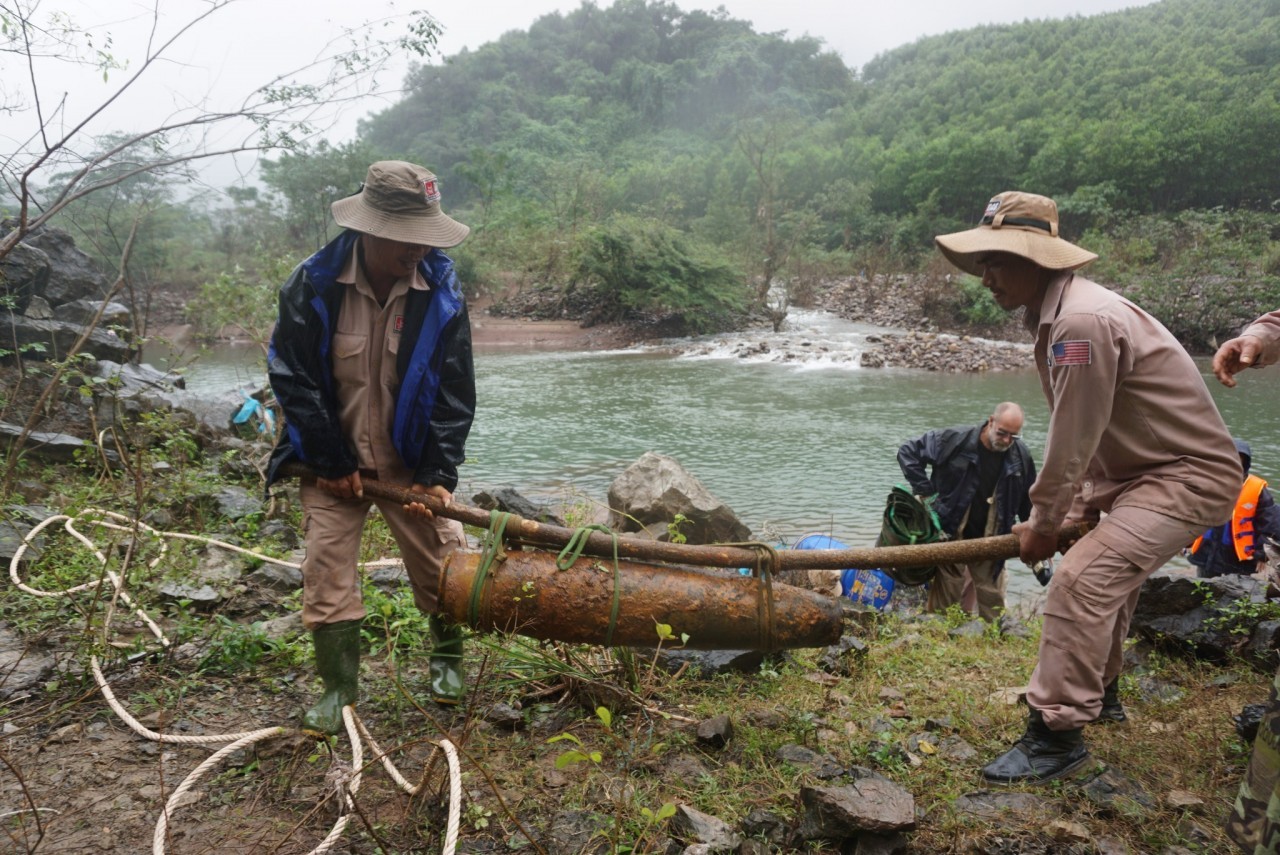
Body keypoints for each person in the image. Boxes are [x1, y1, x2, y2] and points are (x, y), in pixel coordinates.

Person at [934, 190, 1241, 784]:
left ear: (1038, 258)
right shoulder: (1058, 315)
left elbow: (1073, 436)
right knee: (1105, 573)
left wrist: (1044, 523)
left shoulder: (1080, 322)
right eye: (983, 263)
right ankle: (1102, 691)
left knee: (1082, 579)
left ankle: (1055, 736)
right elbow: (1091, 435)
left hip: (1185, 474)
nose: (986, 277)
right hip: (1135, 472)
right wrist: (1068, 514)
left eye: (997, 260)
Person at [266, 160, 476, 734]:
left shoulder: (441, 290)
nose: (418, 251)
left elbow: (455, 390)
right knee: (327, 566)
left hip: (407, 461)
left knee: (441, 556)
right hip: (329, 457)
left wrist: (438, 473)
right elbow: (293, 378)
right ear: (373, 230)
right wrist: (331, 462)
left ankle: (448, 658)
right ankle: (339, 689)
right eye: (409, 239)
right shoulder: (312, 285)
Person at [1213, 314, 1280, 854]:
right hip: (1213, 564)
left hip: (1242, 563)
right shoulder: (1209, 485)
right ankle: (1252, 836)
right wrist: (1257, 339)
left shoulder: (1258, 492)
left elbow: (1270, 527)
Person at [895, 402, 1035, 621]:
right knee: (945, 601)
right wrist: (927, 493)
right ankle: (938, 639)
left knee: (993, 599)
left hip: (993, 536)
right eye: (1002, 433)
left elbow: (1028, 500)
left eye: (1014, 436)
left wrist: (1032, 533)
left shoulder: (1021, 456)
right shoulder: (954, 440)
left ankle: (996, 638)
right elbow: (908, 452)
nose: (1007, 441)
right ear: (991, 421)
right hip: (951, 532)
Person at [1187, 438, 1280, 578]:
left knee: (1237, 592)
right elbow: (1189, 513)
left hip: (1239, 556)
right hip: (1207, 551)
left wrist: (1262, 555)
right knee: (1203, 589)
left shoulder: (1257, 490)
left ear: (1245, 462)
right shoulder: (1207, 483)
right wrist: (1182, 543)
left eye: (1238, 459)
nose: (1233, 462)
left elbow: (1272, 525)